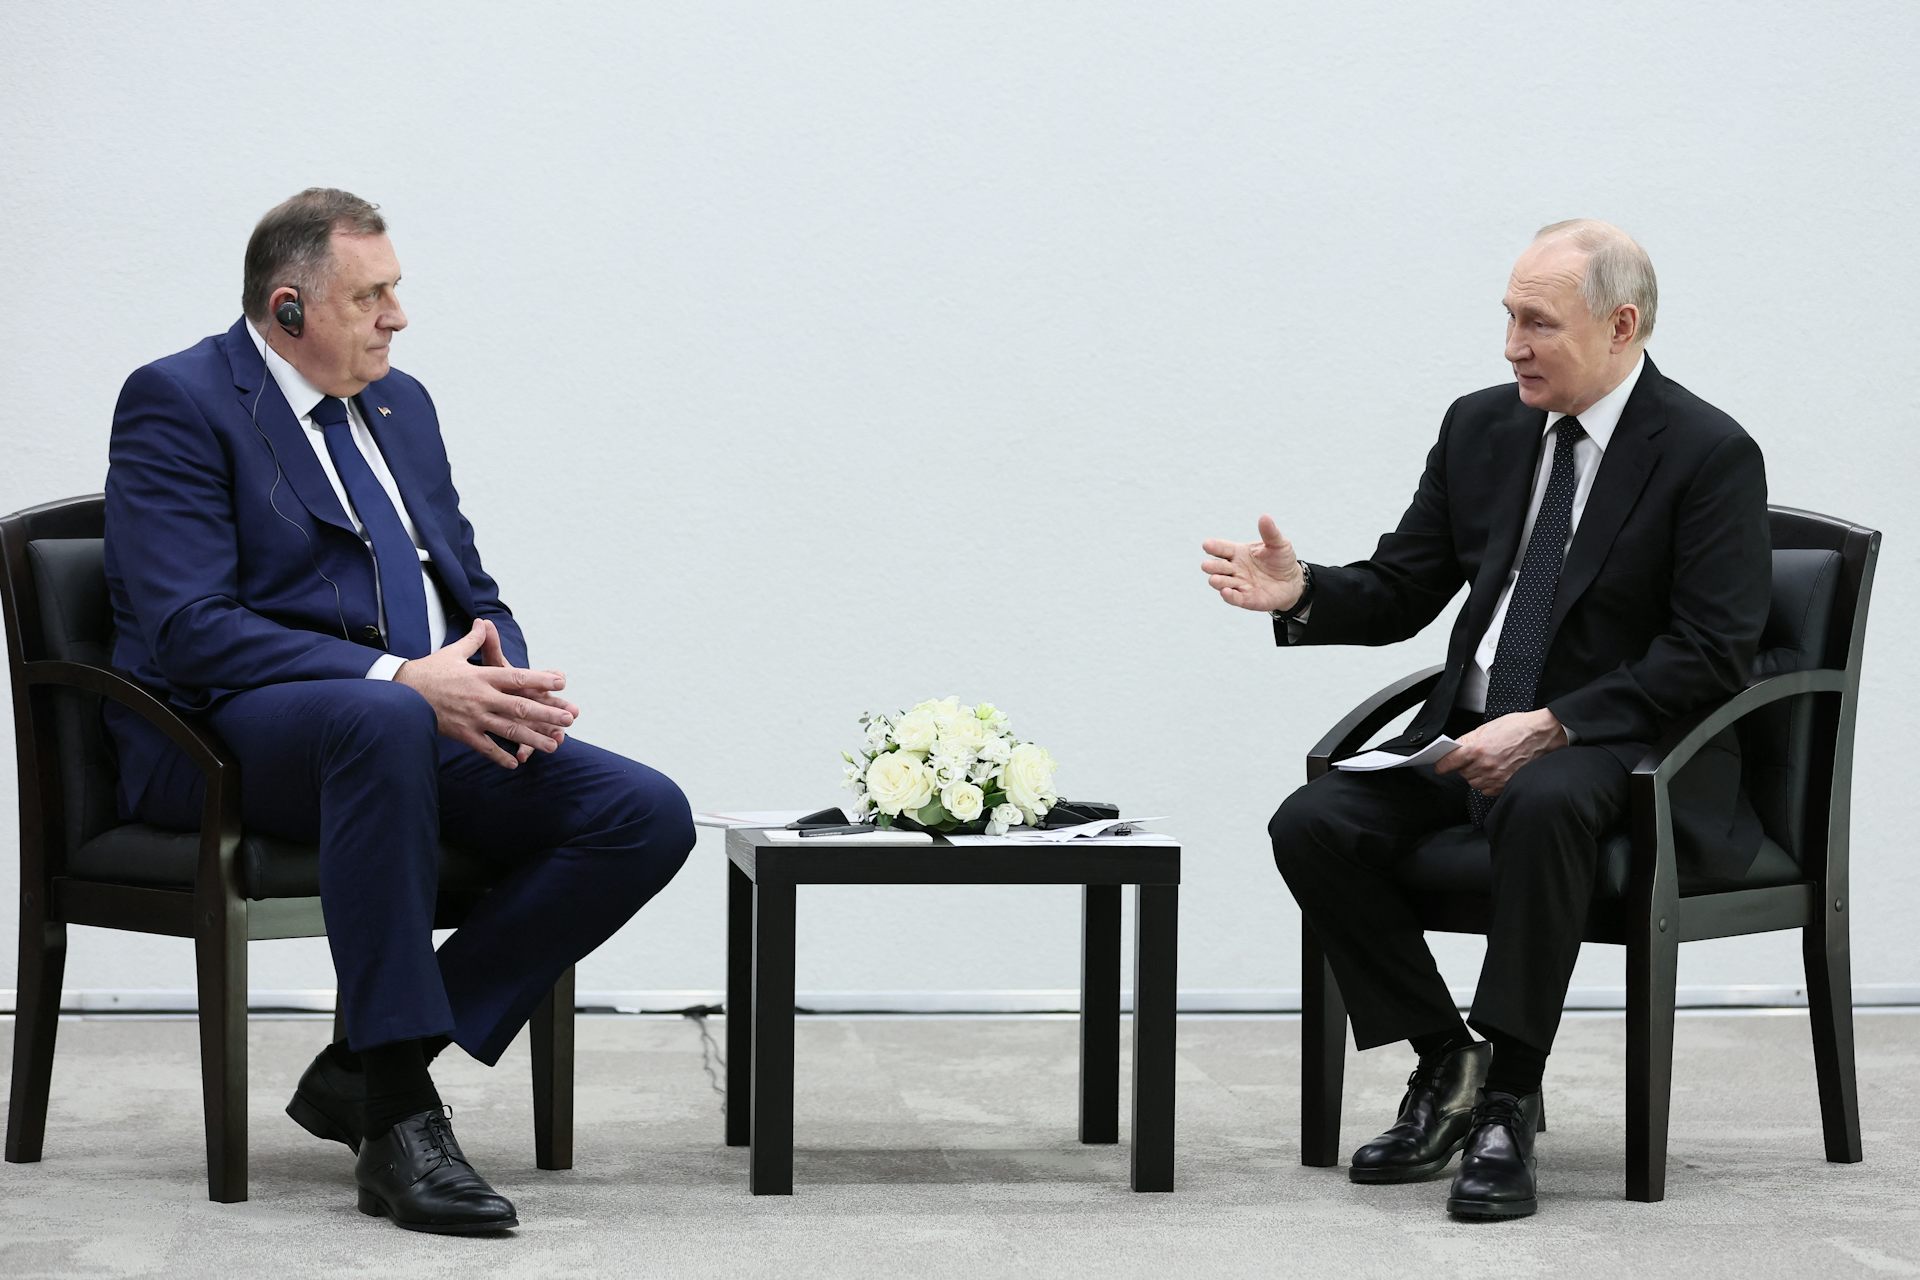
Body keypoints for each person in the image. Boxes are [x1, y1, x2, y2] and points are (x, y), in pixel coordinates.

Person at [102, 188, 696, 1234]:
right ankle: (399, 1115)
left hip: (404, 721)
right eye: (370, 296)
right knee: (377, 720)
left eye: (396, 291)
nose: (397, 317)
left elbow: (464, 573)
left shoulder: (400, 402)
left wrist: (492, 664)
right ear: (288, 311)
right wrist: (400, 677)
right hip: (226, 733)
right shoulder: (179, 400)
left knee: (641, 811)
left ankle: (366, 1063)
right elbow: (190, 628)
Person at [1200, 220, 1769, 1220]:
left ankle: (1509, 1098)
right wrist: (1300, 593)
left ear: (1621, 324)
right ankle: (1447, 1058)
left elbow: (1712, 649)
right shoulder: (1483, 426)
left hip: (1622, 749)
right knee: (1315, 821)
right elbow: (1401, 586)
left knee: (1543, 800)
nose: (1510, 344)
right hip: (1467, 730)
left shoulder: (1708, 452)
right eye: (1507, 316)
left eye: (1536, 322)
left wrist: (1551, 721)